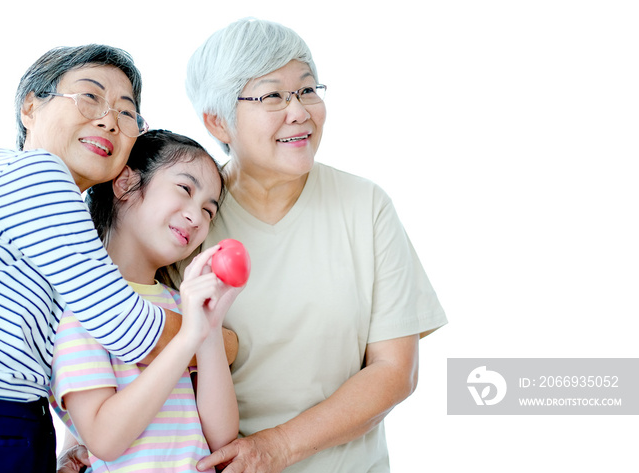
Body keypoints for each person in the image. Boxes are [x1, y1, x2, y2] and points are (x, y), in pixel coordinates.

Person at [184, 18, 449, 472]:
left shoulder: (365, 206)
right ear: (217, 121)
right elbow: (131, 346)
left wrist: (278, 446)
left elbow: (394, 370)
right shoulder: (188, 221)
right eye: (273, 96)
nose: (300, 111)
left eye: (308, 90)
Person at [0, 45, 199, 472]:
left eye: (127, 112)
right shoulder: (36, 174)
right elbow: (126, 327)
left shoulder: (34, 199)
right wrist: (217, 341)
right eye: (89, 96)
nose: (109, 120)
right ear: (30, 107)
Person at [50, 130, 241, 472]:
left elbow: (221, 440)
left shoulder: (182, 304)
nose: (197, 218)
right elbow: (105, 439)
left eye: (209, 212)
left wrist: (209, 330)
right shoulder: (82, 301)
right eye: (185, 189)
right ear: (125, 183)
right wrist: (187, 338)